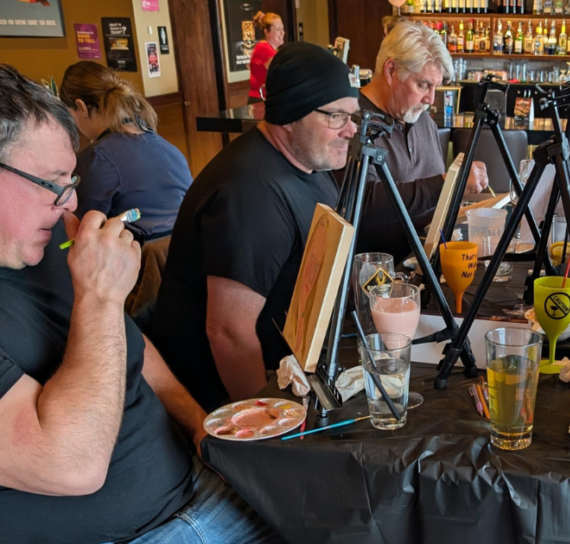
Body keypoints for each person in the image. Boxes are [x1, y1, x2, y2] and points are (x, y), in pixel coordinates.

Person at [0, 65, 280, 543]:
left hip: (200, 484)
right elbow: (71, 466)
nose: (70, 205)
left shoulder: (44, 243)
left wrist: (202, 431)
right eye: (53, 182)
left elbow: (131, 349)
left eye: (73, 180)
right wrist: (102, 296)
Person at [152, 43, 360, 410]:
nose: (351, 130)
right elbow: (229, 333)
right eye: (336, 117)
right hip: (231, 397)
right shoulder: (250, 194)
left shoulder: (307, 164)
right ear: (290, 114)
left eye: (352, 116)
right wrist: (266, 429)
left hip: (295, 366)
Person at [356, 21, 489, 263]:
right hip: (378, 278)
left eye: (435, 87)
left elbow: (428, 204)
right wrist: (444, 184)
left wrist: (457, 201)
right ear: (390, 70)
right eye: (423, 84)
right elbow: (363, 203)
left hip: (429, 264)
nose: (430, 98)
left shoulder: (422, 121)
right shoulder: (352, 121)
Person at [60, 61, 192, 241]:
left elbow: (78, 226)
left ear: (81, 107)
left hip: (139, 261)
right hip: (188, 253)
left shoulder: (97, 158)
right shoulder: (167, 148)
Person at [248, 11, 284, 104]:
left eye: (282, 29)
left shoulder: (269, 49)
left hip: (265, 99)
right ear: (266, 32)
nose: (283, 33)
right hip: (260, 101)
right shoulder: (264, 48)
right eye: (278, 29)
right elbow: (281, 73)